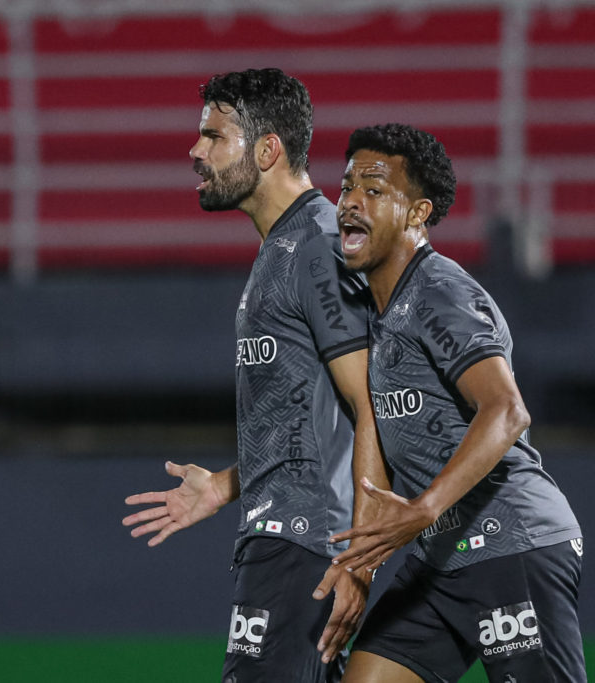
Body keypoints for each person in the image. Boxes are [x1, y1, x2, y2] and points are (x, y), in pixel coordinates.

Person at [122, 68, 386, 682]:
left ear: (268, 149)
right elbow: (317, 420)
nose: (195, 151)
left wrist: (357, 559)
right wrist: (225, 485)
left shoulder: (317, 248)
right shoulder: (286, 247)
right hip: (285, 534)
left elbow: (369, 401)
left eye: (213, 136)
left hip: (304, 542)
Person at [327, 122, 585, 682]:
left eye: (373, 191)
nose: (349, 202)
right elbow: (377, 447)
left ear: (417, 214)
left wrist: (423, 508)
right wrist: (360, 568)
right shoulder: (376, 311)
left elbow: (508, 410)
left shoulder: (438, 292)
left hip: (509, 542)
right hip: (440, 560)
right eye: (347, 187)